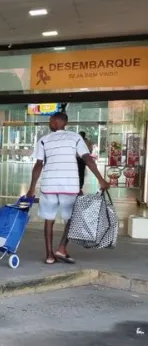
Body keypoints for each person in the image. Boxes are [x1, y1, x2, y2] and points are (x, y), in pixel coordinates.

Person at [27, 112, 108, 265]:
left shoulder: (44, 140)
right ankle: (62, 247)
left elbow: (38, 165)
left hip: (49, 186)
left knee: (49, 219)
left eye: (50, 121)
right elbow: (87, 159)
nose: (49, 124)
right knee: (71, 218)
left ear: (57, 121)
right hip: (69, 186)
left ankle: (50, 255)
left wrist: (32, 189)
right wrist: (101, 179)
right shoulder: (75, 137)